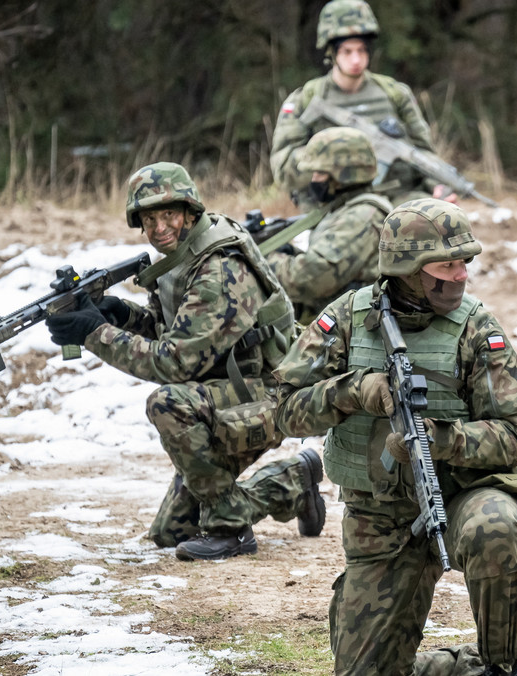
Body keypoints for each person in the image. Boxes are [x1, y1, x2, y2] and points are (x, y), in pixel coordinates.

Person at [271, 198, 517, 676]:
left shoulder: (474, 326)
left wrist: (441, 440)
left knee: (497, 527)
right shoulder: (348, 317)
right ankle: (465, 665)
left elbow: (513, 433)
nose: (461, 275)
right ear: (406, 267)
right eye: (447, 264)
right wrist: (356, 390)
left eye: (465, 262)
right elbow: (284, 410)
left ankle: (505, 664)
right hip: (379, 517)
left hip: (464, 492)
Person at [44, 162, 326, 562]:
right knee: (170, 532)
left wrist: (95, 333)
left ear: (190, 212)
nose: (159, 228)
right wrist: (117, 315)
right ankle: (296, 480)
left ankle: (232, 531)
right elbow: (172, 332)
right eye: (149, 218)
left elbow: (176, 363)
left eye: (169, 215)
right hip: (236, 392)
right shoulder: (181, 259)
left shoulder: (218, 269)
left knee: (167, 403)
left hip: (275, 394)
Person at [270, 0, 454, 209]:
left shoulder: (395, 93)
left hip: (398, 199)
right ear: (332, 53)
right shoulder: (306, 99)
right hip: (335, 205)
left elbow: (423, 152)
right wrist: (338, 155)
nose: (356, 60)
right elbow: (283, 171)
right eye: (347, 51)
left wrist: (437, 185)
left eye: (362, 50)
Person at [266, 126, 391, 324]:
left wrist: (265, 260)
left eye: (319, 173)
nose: (313, 180)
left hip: (348, 333)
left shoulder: (361, 217)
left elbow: (310, 280)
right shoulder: (344, 209)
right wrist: (290, 252)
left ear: (342, 175)